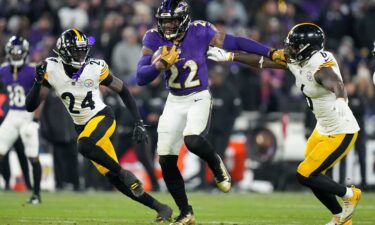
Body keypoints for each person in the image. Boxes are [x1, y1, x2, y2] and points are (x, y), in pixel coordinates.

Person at [136, 0, 283, 224]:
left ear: (184, 20)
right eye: (164, 22)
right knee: (166, 160)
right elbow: (141, 77)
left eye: (172, 21)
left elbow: (235, 41)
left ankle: (215, 162)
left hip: (198, 96)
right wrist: (159, 66)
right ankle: (186, 212)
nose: (167, 26)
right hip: (174, 100)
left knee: (193, 139)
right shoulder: (152, 37)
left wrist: (270, 52)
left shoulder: (200, 30)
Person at [208, 23, 362, 225]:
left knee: (305, 174)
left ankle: (350, 194)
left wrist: (341, 99)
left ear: (308, 48)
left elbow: (336, 83)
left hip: (341, 129)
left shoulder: (318, 68)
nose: (290, 50)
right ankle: (340, 218)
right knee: (314, 176)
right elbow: (263, 61)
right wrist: (230, 57)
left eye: (295, 46)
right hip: (323, 127)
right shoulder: (299, 58)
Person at [25, 28, 172, 222]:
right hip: (83, 127)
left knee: (84, 145)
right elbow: (30, 106)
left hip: (102, 117)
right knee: (114, 179)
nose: (79, 54)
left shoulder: (95, 67)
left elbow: (123, 90)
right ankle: (160, 207)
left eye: (81, 50)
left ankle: (124, 173)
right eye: (75, 51)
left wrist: (138, 121)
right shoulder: (51, 68)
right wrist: (37, 82)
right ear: (63, 52)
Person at [0, 36, 43, 204]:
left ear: (25, 53)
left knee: (33, 156)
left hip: (27, 115)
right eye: (14, 53)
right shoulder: (3, 70)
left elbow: (42, 95)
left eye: (19, 53)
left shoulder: (32, 70)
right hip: (12, 115)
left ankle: (36, 194)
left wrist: (36, 119)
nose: (16, 56)